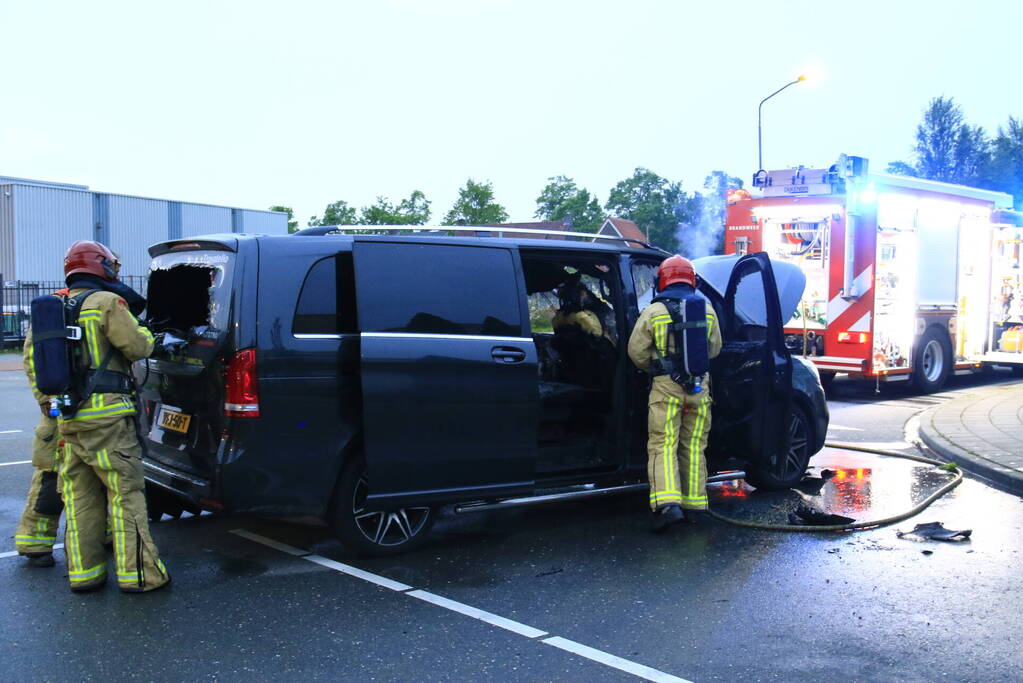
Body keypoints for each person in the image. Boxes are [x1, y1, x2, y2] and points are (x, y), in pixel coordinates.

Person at [56, 240, 169, 592]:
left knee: (80, 498)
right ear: (101, 267)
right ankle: (140, 575)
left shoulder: (54, 306)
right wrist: (151, 333)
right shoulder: (106, 303)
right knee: (125, 494)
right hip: (107, 420)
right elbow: (138, 347)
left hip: (67, 418)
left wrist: (50, 403)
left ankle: (84, 575)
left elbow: (33, 361)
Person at [627, 255, 722, 532]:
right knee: (694, 446)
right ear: (693, 280)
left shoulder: (654, 311)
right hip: (699, 388)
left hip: (666, 388)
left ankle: (668, 506)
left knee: (663, 444)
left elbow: (636, 352)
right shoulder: (707, 309)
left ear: (662, 280)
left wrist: (659, 369)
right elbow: (714, 349)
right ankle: (695, 507)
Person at [14, 312, 68, 568]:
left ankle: (105, 535)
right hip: (60, 414)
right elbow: (32, 358)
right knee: (51, 480)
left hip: (87, 410)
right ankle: (36, 542)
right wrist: (45, 398)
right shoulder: (54, 311)